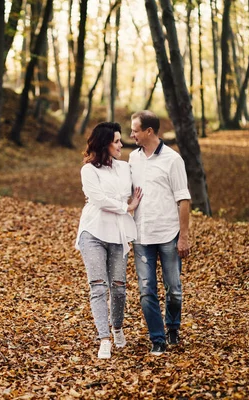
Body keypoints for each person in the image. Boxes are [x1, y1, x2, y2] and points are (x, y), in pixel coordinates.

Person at [75, 122, 143, 359]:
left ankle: (117, 328)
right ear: (104, 144)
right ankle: (104, 338)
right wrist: (127, 206)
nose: (121, 144)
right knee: (98, 287)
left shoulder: (126, 167)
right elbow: (98, 199)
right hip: (93, 232)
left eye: (120, 140)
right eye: (116, 141)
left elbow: (143, 183)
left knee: (119, 288)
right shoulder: (89, 170)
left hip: (119, 234)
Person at [128, 110, 191, 356]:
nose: (131, 134)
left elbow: (183, 199)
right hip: (142, 236)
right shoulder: (132, 159)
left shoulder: (173, 160)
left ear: (149, 131)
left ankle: (172, 327)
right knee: (146, 290)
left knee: (174, 289)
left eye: (135, 130)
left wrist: (183, 236)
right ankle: (157, 338)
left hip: (168, 234)